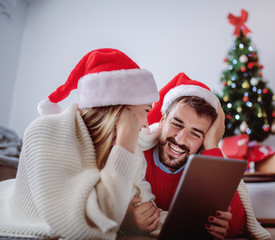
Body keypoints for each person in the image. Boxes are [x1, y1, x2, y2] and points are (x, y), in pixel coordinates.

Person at [0, 48, 160, 240]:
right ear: (123, 109)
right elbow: (87, 228)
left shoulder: (121, 147)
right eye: (146, 110)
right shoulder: (43, 130)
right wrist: (125, 139)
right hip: (13, 218)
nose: (146, 123)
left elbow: (124, 210)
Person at [130, 72, 272, 240]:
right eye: (176, 124)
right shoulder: (134, 152)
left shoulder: (206, 168)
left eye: (195, 134)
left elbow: (236, 223)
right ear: (162, 122)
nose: (180, 139)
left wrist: (212, 146)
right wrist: (126, 221)